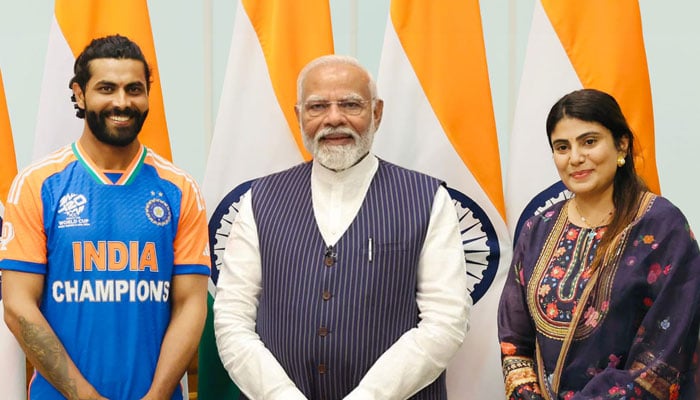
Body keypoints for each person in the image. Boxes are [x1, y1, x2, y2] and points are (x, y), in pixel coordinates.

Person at [213, 54, 470, 399]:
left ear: (377, 113)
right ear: (299, 115)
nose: (334, 119)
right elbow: (232, 318)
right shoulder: (258, 199)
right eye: (317, 106)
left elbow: (446, 321)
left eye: (350, 104)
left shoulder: (428, 198)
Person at [0, 35, 210, 400]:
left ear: (148, 94)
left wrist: (157, 395)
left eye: (134, 89)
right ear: (80, 94)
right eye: (106, 88)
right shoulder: (38, 184)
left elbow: (191, 303)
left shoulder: (179, 188)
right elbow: (18, 307)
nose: (122, 102)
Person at [498, 88, 700, 399]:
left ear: (622, 144)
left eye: (589, 141)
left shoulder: (662, 226)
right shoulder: (538, 228)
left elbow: (666, 352)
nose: (575, 158)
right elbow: (514, 339)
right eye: (562, 147)